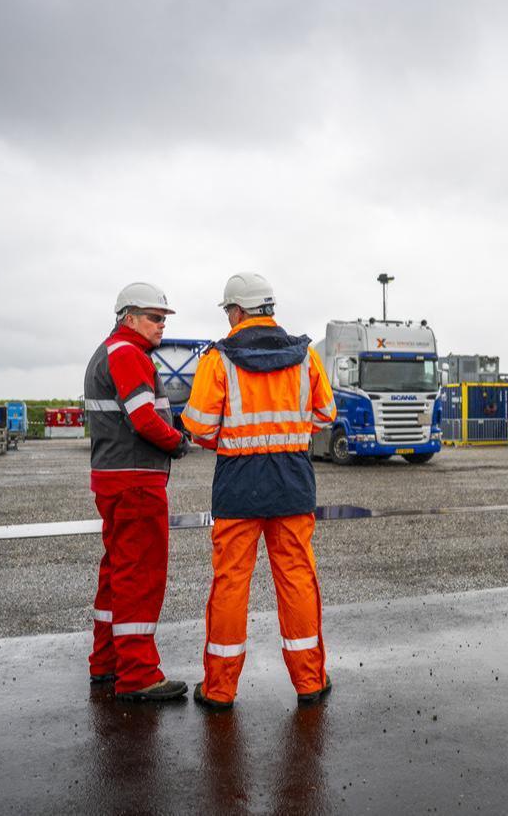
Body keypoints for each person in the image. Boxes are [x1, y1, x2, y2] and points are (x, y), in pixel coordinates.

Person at [180, 272, 337, 709]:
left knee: (231, 584)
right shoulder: (305, 357)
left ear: (235, 311)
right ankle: (310, 682)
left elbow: (197, 427)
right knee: (297, 579)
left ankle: (219, 690)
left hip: (238, 484)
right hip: (292, 480)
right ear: (269, 309)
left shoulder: (219, 358)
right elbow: (325, 415)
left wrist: (231, 437)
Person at [84, 282, 192, 701]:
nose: (161, 325)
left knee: (115, 574)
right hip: (136, 484)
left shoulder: (108, 351)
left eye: (163, 318)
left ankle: (106, 662)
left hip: (113, 480)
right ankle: (139, 675)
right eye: (154, 317)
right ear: (128, 317)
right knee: (139, 577)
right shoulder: (129, 354)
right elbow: (144, 418)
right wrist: (177, 442)